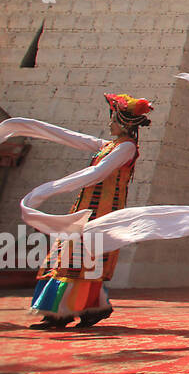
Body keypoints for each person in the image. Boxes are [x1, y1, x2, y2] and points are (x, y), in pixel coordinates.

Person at [1, 93, 152, 330]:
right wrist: (25, 126)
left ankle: (64, 312)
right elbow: (74, 138)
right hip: (85, 208)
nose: (109, 124)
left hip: (101, 211)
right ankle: (89, 307)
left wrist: (49, 189)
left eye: (113, 120)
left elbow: (97, 173)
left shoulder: (126, 149)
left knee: (80, 258)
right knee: (73, 257)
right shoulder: (110, 145)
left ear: (123, 124)